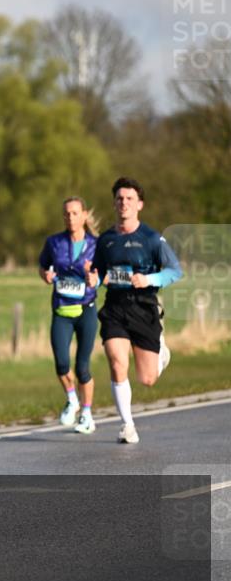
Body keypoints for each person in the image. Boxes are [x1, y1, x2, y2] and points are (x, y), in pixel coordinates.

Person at [86, 177, 182, 444]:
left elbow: (175, 271)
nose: (123, 203)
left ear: (139, 204)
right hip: (115, 307)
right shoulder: (105, 240)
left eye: (129, 199)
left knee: (147, 379)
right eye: (119, 198)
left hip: (144, 308)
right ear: (114, 204)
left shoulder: (152, 239)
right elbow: (98, 271)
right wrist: (94, 279)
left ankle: (161, 352)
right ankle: (127, 425)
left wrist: (149, 280)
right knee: (117, 362)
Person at [38, 197, 99, 434]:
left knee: (82, 367)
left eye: (75, 213)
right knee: (62, 364)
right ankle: (72, 399)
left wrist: (94, 277)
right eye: (66, 214)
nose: (70, 218)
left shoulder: (96, 244)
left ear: (84, 215)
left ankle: (86, 413)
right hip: (62, 311)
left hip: (86, 310)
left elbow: (102, 274)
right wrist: (45, 275)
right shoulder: (54, 242)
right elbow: (43, 266)